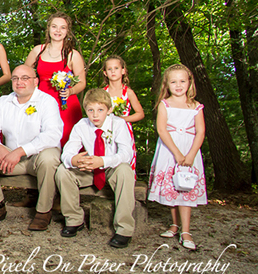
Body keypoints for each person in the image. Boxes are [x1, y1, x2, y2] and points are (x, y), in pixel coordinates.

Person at [0, 64, 62, 229]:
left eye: (25, 78)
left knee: (50, 158)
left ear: (35, 81)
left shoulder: (47, 101)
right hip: (9, 158)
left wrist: (21, 151)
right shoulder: (3, 102)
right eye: (15, 78)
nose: (19, 82)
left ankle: (43, 212)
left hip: (37, 157)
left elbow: (53, 135)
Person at [56, 89, 135, 248]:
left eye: (100, 110)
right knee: (63, 171)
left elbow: (127, 154)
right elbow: (67, 152)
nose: (95, 115)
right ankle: (74, 220)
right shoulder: (81, 125)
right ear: (86, 110)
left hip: (112, 168)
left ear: (109, 110)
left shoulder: (119, 124)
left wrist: (103, 161)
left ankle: (124, 229)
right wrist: (74, 159)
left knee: (126, 171)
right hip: (89, 169)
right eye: (91, 110)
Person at [148, 64, 206, 250]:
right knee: (173, 187)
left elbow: (201, 132)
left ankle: (186, 231)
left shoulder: (195, 106)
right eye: (174, 81)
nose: (178, 85)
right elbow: (162, 129)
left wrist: (190, 154)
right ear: (167, 84)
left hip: (190, 149)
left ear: (189, 83)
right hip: (170, 150)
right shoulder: (165, 104)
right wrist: (177, 153)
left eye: (182, 81)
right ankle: (174, 225)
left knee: (186, 188)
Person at [25, 12, 85, 146]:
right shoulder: (37, 51)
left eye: (62, 27)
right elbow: (23, 75)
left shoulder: (72, 55)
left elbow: (82, 82)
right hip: (41, 102)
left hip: (65, 104)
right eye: (54, 26)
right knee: (41, 141)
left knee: (67, 140)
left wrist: (71, 91)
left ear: (67, 31)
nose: (58, 31)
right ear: (48, 29)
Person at [102, 55, 144, 174]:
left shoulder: (128, 92)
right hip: (106, 130)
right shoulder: (103, 92)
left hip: (124, 129)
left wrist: (122, 119)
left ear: (123, 70)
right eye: (109, 69)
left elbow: (140, 114)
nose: (113, 71)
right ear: (105, 73)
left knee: (124, 156)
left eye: (116, 68)